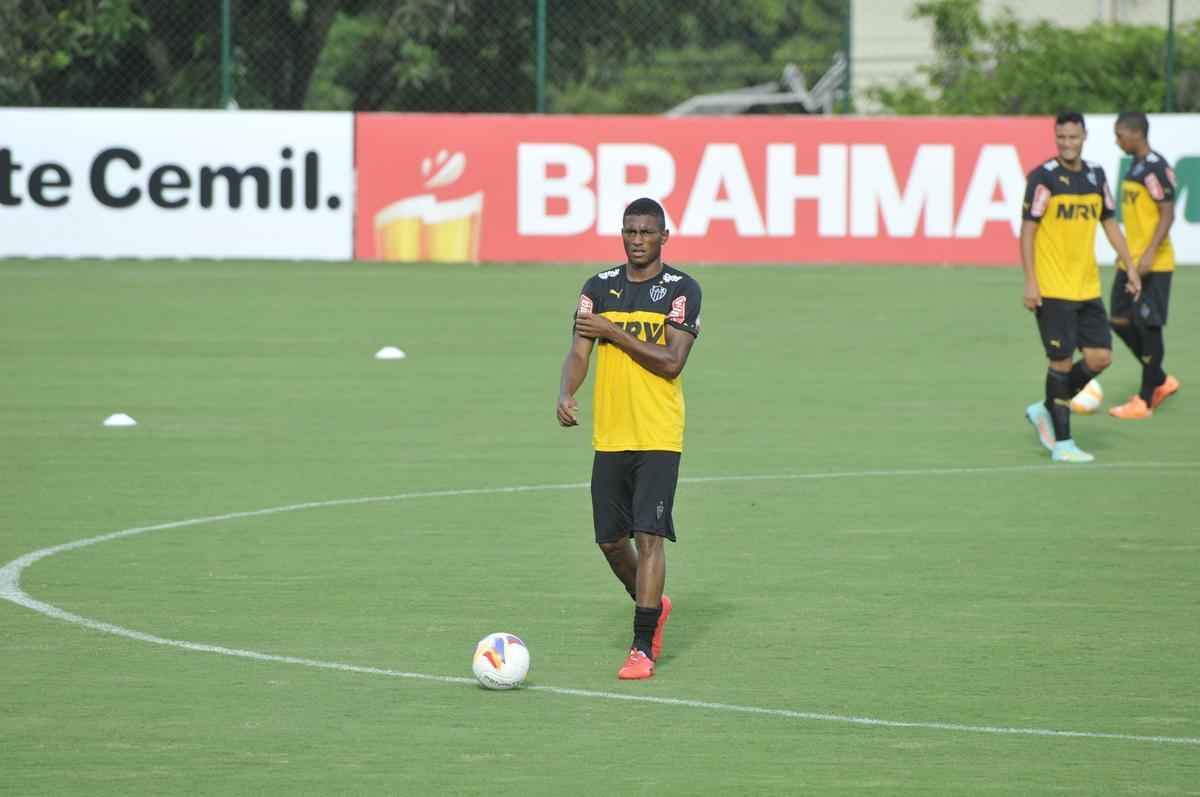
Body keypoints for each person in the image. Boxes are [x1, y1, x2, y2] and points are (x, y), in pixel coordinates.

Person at [556, 197, 702, 680]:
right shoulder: (598, 288)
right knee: (612, 543)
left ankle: (642, 645)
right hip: (611, 434)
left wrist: (612, 333)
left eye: (646, 232)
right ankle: (653, 605)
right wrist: (566, 391)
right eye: (630, 232)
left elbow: (671, 362)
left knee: (650, 536)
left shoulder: (682, 290)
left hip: (659, 433)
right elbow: (579, 350)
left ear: (664, 236)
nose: (637, 240)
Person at [1020, 111, 1140, 463]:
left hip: (1087, 287)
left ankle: (1045, 408)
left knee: (1100, 357)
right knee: (1060, 363)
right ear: (1055, 138)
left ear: (1084, 137)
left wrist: (1130, 265)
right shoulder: (1043, 178)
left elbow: (1110, 223)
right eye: (1061, 138)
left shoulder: (1095, 176)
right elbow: (1027, 230)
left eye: (1073, 138)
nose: (1067, 144)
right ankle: (1063, 444)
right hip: (1053, 287)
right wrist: (1030, 280)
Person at [1107, 111, 1181, 419]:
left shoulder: (1154, 169)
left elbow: (1167, 213)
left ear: (1136, 134)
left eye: (1120, 135)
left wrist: (1150, 253)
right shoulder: (1135, 167)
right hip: (1130, 262)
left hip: (1154, 263)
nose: (1117, 140)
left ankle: (1145, 400)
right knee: (1119, 319)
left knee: (1149, 327)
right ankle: (1160, 378)